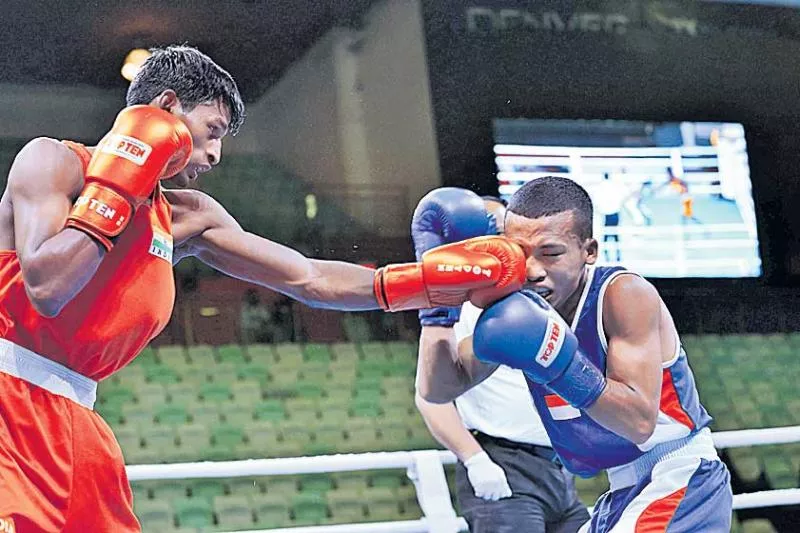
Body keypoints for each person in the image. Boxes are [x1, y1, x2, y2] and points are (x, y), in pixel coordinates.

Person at [0, 45, 526, 531]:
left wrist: (425, 283)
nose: (215, 154)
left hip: (77, 421)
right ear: (165, 106)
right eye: (212, 129)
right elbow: (48, 285)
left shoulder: (188, 217)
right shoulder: (55, 162)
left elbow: (309, 276)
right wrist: (119, 186)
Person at [416, 176, 732, 532]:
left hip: (678, 476)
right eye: (519, 254)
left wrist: (557, 361)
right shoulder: (518, 311)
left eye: (550, 253)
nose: (533, 270)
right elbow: (440, 389)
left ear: (589, 251)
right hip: (623, 488)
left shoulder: (623, 294)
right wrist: (437, 312)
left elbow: (639, 424)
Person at [414, 193, 589, 532]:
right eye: (490, 234)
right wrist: (475, 459)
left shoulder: (542, 302)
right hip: (504, 466)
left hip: (559, 469)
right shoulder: (467, 309)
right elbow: (430, 397)